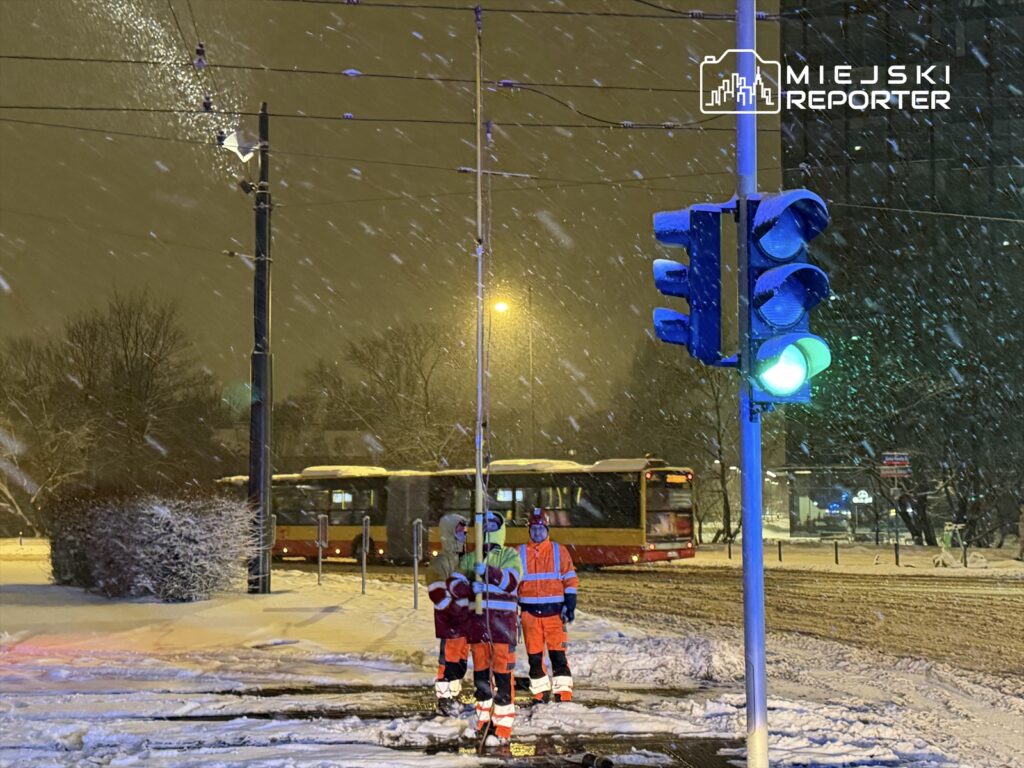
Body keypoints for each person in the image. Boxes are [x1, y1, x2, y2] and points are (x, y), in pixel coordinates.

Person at [447, 510, 522, 743]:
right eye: (486, 524)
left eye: (493, 524)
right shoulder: (471, 558)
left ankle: (502, 725)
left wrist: (488, 574)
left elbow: (511, 581)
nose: (489, 527)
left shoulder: (510, 555)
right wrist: (469, 588)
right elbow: (453, 583)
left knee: (502, 674)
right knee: (481, 674)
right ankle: (482, 719)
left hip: (503, 626)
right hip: (478, 624)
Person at [517, 508, 578, 703]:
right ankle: (540, 693)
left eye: (540, 529)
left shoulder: (558, 551)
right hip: (529, 615)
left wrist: (570, 603)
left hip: (555, 614)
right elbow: (511, 583)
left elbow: (570, 578)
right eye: (534, 529)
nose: (537, 533)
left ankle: (563, 694)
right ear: (529, 530)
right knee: (535, 658)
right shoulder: (519, 553)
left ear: (547, 530)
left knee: (558, 655)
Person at [427, 513, 470, 716]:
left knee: (459, 662)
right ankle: (444, 699)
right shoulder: (441, 562)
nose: (464, 534)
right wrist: (455, 610)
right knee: (448, 662)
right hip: (451, 622)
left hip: (465, 622)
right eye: (460, 531)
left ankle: (453, 696)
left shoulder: (464, 559)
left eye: (465, 531)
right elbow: (437, 593)